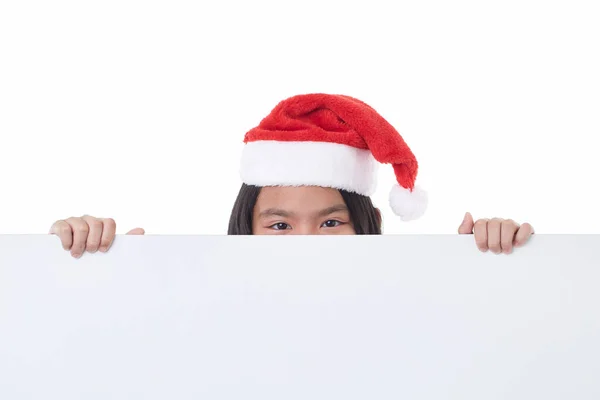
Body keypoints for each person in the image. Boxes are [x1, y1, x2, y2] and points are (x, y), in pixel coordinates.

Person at [49, 94, 534, 258]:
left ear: (366, 226)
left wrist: (491, 264)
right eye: (280, 225)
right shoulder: (205, 308)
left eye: (330, 223)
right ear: (246, 229)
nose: (307, 242)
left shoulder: (403, 304)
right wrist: (96, 266)